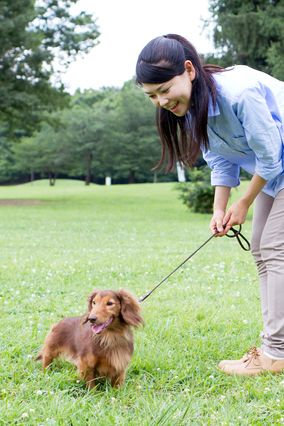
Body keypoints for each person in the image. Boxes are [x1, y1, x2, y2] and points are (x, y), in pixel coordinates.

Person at [136, 34, 284, 376]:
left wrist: (244, 201)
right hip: (275, 170)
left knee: (275, 247)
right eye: (152, 96)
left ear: (188, 70)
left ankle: (275, 355)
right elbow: (220, 160)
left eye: (163, 90)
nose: (161, 101)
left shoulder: (239, 93)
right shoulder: (191, 109)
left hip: (276, 164)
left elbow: (270, 156)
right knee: (261, 250)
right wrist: (220, 208)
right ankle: (272, 347)